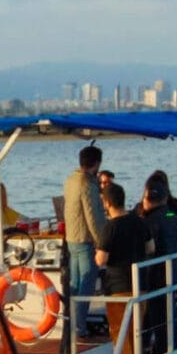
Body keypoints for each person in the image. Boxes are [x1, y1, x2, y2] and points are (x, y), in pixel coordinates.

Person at [97, 182, 154, 354]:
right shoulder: (138, 221)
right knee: (136, 331)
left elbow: (101, 259)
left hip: (118, 286)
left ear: (107, 202)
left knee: (120, 333)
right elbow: (151, 247)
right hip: (140, 284)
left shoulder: (110, 227)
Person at [63, 145, 105, 340]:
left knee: (75, 283)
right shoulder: (87, 184)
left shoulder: (70, 180)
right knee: (86, 283)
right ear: (96, 163)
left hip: (72, 237)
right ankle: (79, 327)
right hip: (85, 239)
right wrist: (101, 242)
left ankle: (69, 323)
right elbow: (93, 215)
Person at [140, 180, 177, 354]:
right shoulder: (171, 217)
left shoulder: (151, 221)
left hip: (155, 274)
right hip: (171, 272)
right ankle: (170, 346)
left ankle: (162, 350)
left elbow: (148, 247)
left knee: (158, 315)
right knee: (167, 313)